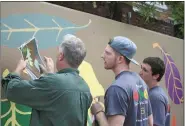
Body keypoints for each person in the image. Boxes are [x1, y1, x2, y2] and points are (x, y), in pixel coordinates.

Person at [1, 34, 92, 126]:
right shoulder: (85, 88)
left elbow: (12, 90)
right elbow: (60, 108)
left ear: (61, 56)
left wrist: (18, 70)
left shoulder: (53, 83)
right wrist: (49, 76)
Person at [91, 36, 153, 126]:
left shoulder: (117, 89)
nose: (102, 56)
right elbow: (150, 122)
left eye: (107, 53)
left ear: (120, 59)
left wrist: (99, 113)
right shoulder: (140, 81)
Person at [139, 57, 170, 126]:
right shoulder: (150, 92)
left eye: (145, 70)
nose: (140, 72)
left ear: (156, 76)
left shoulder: (155, 97)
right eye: (141, 68)